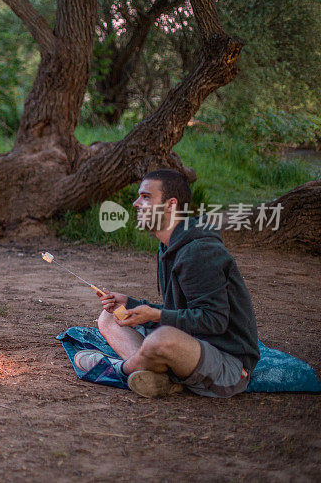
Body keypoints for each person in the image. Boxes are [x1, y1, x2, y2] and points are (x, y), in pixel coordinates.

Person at [74, 169, 259, 398]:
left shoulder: (199, 252)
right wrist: (131, 303)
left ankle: (119, 369)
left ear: (170, 205)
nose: (135, 203)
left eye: (145, 197)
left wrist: (155, 316)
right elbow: (182, 312)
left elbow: (215, 321)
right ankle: (159, 376)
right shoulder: (169, 245)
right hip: (191, 344)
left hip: (229, 366)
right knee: (111, 315)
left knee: (162, 339)